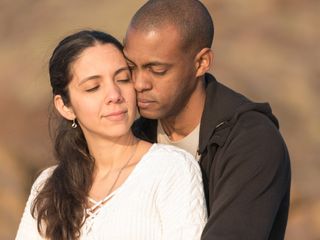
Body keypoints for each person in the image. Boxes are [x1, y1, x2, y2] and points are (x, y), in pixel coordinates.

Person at [15, 30, 207, 240]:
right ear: (65, 106)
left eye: (123, 79)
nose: (114, 96)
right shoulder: (47, 185)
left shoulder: (171, 169)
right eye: (93, 87)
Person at [124, 0, 291, 239]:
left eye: (157, 70)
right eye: (130, 67)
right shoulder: (132, 135)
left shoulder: (253, 141)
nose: (139, 83)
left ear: (201, 63)